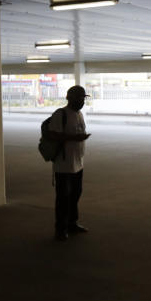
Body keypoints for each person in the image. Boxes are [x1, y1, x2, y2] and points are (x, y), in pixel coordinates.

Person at [45, 86, 92, 241]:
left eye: (83, 98)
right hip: (64, 165)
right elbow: (52, 134)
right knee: (63, 197)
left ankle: (72, 223)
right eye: (79, 98)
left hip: (78, 163)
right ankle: (60, 228)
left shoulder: (79, 114)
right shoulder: (61, 114)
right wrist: (75, 138)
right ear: (69, 98)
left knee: (76, 194)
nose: (82, 101)